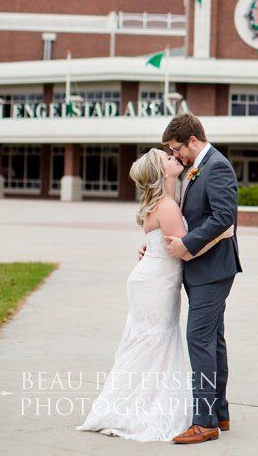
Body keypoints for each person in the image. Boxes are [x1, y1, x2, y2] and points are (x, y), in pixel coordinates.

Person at [76, 148, 194, 441]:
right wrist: (222, 234)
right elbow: (187, 247)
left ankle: (130, 406)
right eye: (168, 158)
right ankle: (136, 411)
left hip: (152, 279)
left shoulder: (164, 202)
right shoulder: (166, 205)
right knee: (154, 343)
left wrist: (149, 249)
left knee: (148, 343)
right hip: (155, 284)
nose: (174, 158)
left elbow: (160, 243)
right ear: (161, 172)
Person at [158, 113, 243, 444]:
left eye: (177, 148)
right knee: (213, 340)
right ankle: (219, 411)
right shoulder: (198, 167)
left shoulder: (217, 166)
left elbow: (224, 216)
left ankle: (204, 422)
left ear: (192, 140)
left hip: (213, 270)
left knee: (199, 340)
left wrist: (187, 244)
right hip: (202, 268)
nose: (176, 154)